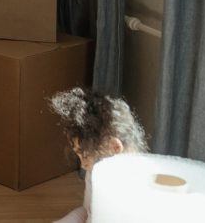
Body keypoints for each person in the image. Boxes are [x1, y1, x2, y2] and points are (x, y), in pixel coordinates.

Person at [48, 87, 148, 223]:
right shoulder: (94, 171)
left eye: (85, 155)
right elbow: (87, 211)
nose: (83, 165)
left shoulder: (142, 189)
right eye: (79, 155)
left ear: (115, 147)